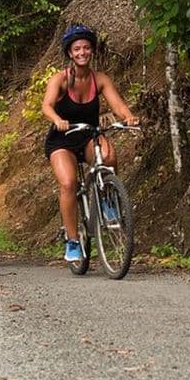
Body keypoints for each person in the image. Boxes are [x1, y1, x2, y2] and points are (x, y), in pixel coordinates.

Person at [42, 24, 139, 262]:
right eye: (77, 49)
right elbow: (46, 106)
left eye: (86, 48)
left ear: (92, 51)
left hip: (88, 134)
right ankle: (73, 240)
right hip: (62, 139)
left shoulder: (100, 79)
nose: (82, 52)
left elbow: (117, 105)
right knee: (68, 183)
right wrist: (57, 119)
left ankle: (108, 197)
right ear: (70, 53)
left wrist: (128, 117)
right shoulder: (61, 79)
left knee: (109, 157)